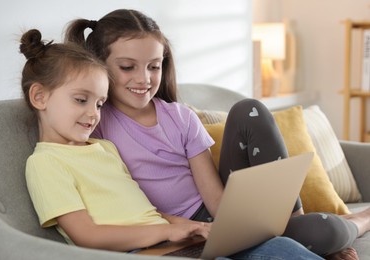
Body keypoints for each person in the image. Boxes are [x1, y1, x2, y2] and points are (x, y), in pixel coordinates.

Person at [64, 9, 368, 259]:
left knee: (250, 110)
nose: (143, 79)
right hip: (171, 232)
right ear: (100, 65)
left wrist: (234, 227)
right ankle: (353, 223)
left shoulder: (180, 117)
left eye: (154, 67)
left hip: (215, 218)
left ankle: (313, 222)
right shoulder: (95, 122)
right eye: (128, 67)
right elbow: (55, 98)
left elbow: (217, 203)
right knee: (326, 231)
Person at [19, 28, 322, 259]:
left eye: (99, 104)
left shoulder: (103, 148)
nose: (93, 114)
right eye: (81, 100)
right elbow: (87, 235)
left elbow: (146, 210)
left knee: (278, 247)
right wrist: (170, 231)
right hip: (147, 251)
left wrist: (195, 229)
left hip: (174, 242)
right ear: (39, 97)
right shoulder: (45, 163)